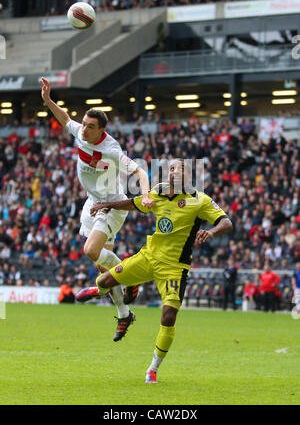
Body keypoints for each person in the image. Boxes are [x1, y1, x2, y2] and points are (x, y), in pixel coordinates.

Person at [76, 159, 233, 383]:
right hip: (148, 257)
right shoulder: (157, 192)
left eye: (180, 169)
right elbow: (135, 203)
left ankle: (153, 368)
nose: (174, 172)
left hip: (174, 268)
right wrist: (107, 205)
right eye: (171, 168)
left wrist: (212, 232)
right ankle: (101, 290)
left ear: (188, 176)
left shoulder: (200, 200)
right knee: (106, 279)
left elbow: (226, 222)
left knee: (169, 316)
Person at [40, 77, 154, 341]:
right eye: (85, 124)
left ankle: (130, 277)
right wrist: (47, 100)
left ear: (101, 130)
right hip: (92, 203)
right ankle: (125, 314)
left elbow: (139, 170)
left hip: (111, 204)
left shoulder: (111, 149)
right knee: (104, 269)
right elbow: (65, 118)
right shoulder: (81, 132)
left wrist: (145, 195)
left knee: (91, 251)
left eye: (90, 127)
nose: (84, 130)